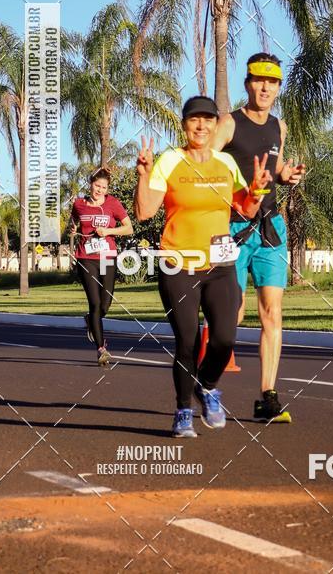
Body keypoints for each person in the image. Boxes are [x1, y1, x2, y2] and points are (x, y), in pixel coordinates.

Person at [134, 96, 271, 438]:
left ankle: (206, 386)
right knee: (188, 341)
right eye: (194, 120)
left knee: (224, 338)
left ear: (214, 126)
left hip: (220, 264)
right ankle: (182, 411)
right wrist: (144, 174)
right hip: (178, 265)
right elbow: (144, 212)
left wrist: (255, 191)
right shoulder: (169, 161)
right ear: (184, 125)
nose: (201, 126)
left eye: (207, 120)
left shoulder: (225, 163)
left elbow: (246, 209)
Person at [212, 53, 305, 424]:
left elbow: (275, 168)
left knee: (272, 312)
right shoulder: (228, 124)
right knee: (229, 313)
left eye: (273, 82)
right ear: (247, 83)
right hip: (231, 227)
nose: (265, 87)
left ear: (278, 88)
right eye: (258, 80)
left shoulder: (278, 127)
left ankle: (268, 395)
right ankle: (207, 387)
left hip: (270, 227)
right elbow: (204, 164)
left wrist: (287, 174)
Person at [70, 168, 133, 366]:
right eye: (97, 185)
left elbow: (128, 228)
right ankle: (101, 349)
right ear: (90, 184)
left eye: (103, 187)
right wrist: (72, 230)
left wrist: (108, 231)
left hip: (107, 257)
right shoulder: (79, 204)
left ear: (107, 189)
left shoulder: (113, 203)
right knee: (96, 303)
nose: (99, 190)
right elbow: (73, 225)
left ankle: (91, 320)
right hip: (86, 258)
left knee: (105, 304)